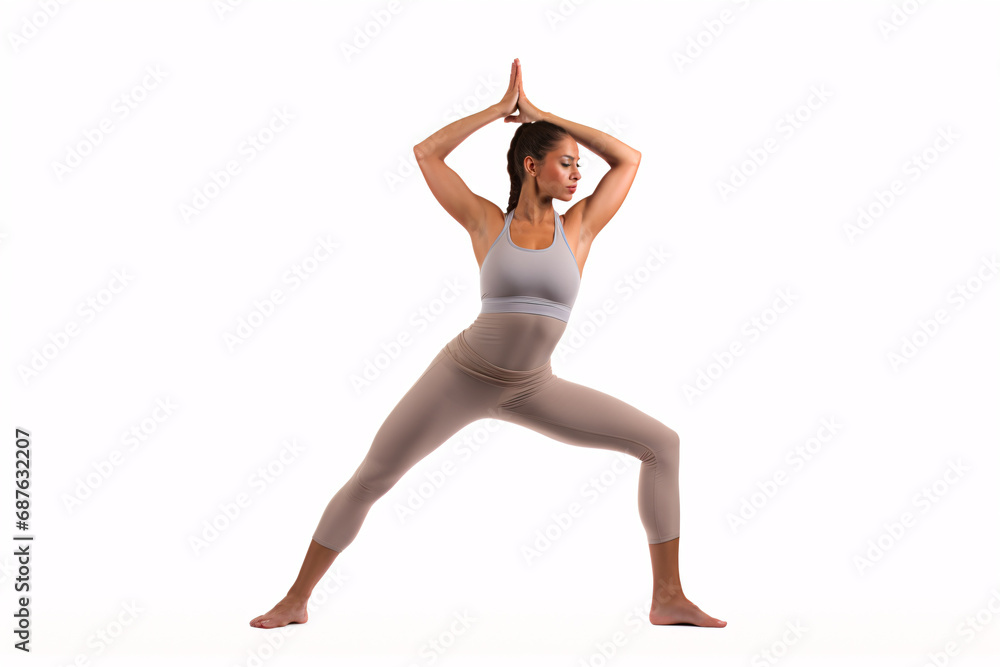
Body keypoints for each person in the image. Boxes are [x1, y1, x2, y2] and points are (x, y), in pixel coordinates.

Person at [251, 58, 725, 629]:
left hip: (533, 387)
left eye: (579, 165)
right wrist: (500, 111)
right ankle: (296, 598)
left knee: (661, 444)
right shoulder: (486, 223)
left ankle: (668, 597)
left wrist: (547, 116)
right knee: (372, 477)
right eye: (566, 163)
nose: (578, 175)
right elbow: (427, 154)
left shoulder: (579, 228)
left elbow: (629, 160)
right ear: (531, 166)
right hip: (462, 377)